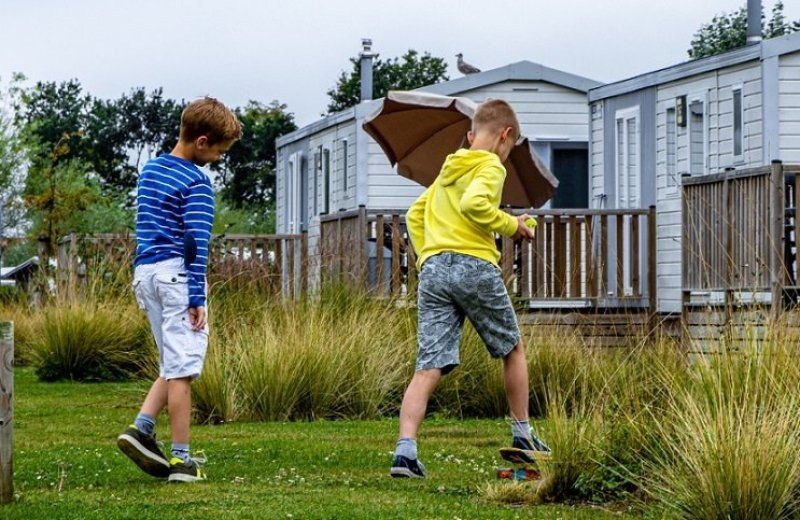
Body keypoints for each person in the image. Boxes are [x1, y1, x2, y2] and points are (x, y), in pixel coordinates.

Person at [390, 99, 550, 478]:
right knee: (512, 348)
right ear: (505, 136)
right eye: (510, 149)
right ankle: (523, 435)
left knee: (428, 364)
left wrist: (429, 254)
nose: (506, 156)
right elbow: (475, 204)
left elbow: (415, 215)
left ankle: (405, 453)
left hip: (433, 270)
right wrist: (513, 225)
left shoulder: (447, 172)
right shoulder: (490, 165)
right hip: (473, 265)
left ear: (469, 136)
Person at [117, 97, 242, 482]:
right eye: (219, 151)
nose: (218, 160)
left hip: (146, 273)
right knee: (184, 369)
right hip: (177, 275)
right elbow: (195, 243)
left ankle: (141, 429)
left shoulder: (150, 171)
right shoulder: (196, 183)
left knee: (172, 362)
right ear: (201, 142)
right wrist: (196, 296)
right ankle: (182, 460)